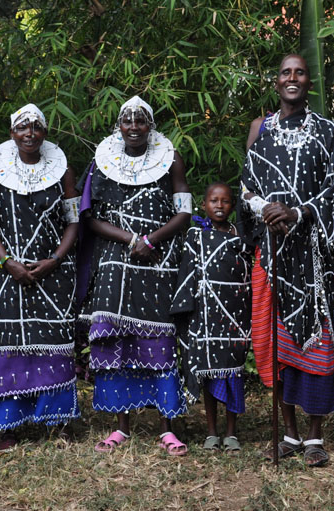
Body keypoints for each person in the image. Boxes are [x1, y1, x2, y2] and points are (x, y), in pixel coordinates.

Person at [241, 54, 334, 466]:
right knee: (278, 344)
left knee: (318, 347)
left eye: (300, 72)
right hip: (272, 253)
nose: (293, 78)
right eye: (286, 72)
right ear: (276, 80)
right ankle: (289, 433)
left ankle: (315, 437)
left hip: (313, 253)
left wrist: (298, 213)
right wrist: (267, 208)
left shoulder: (327, 130)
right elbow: (246, 185)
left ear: (308, 80)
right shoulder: (260, 128)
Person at [79, 96, 192, 456]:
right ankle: (120, 426)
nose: (133, 126)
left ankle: (167, 427)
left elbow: (184, 211)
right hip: (115, 259)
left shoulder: (170, 158)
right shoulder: (102, 161)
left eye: (140, 120)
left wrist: (151, 240)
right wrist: (130, 239)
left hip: (158, 259)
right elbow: (90, 218)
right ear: (118, 125)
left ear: (150, 125)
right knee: (117, 342)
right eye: (126, 120)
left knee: (160, 341)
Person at [0, 104, 81, 450]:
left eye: (36, 127)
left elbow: (73, 221)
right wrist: (7, 262)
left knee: (52, 344)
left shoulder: (62, 170)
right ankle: (8, 425)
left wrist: (54, 259)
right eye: (22, 127)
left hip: (53, 273)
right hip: (6, 274)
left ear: (45, 133)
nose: (30, 133)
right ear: (12, 133)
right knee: (9, 347)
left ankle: (57, 421)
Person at [170, 182, 252, 453]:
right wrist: (187, 309)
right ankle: (211, 432)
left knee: (232, 373)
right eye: (214, 201)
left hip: (234, 316)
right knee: (207, 374)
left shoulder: (241, 236)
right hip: (205, 314)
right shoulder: (195, 235)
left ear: (233, 205)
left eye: (226, 201)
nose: (219, 206)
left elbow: (247, 275)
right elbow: (187, 272)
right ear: (203, 205)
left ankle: (231, 432)